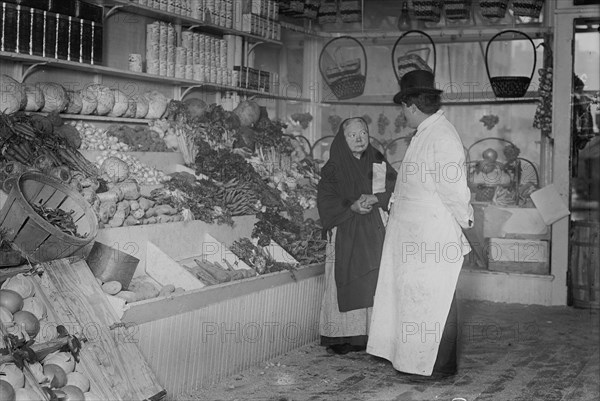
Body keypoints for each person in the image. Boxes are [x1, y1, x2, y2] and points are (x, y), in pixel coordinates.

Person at [366, 70, 473, 380]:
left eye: (403, 107)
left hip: (432, 233)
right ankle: (415, 361)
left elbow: (453, 190)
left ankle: (437, 366)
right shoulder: (427, 132)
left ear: (411, 105)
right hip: (415, 234)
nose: (402, 114)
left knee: (435, 300)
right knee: (416, 300)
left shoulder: (442, 136)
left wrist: (466, 222)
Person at [317, 117, 397, 355]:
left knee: (374, 279)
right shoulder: (333, 167)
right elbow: (326, 200)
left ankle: (372, 336)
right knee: (345, 280)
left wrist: (377, 199)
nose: (360, 139)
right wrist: (350, 206)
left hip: (374, 231)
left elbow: (396, 189)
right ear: (343, 139)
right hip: (345, 231)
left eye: (363, 133)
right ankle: (343, 337)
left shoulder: (378, 161)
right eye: (353, 135)